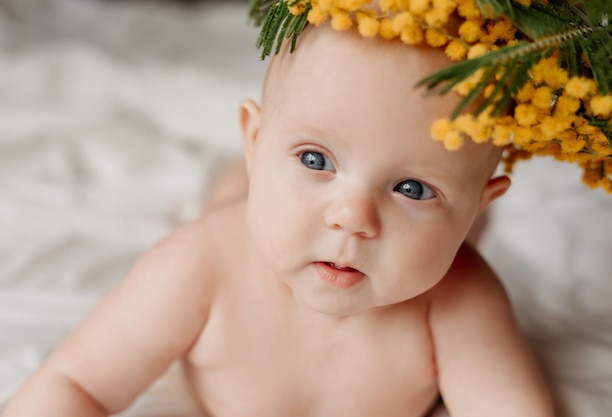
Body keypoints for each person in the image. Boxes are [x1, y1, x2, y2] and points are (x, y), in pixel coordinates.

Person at [2, 6, 560, 417]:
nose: (352, 216)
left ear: (480, 203)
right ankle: (246, 178)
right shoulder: (197, 266)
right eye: (315, 158)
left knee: (319, 219)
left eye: (412, 189)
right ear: (255, 137)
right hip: (239, 222)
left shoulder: (461, 297)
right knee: (236, 207)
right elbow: (76, 384)